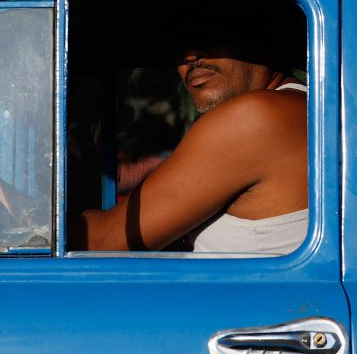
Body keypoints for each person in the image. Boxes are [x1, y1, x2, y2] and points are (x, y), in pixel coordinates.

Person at [67, 27, 308, 255]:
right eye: (179, 44)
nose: (191, 56)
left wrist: (37, 226)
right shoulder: (301, 106)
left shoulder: (254, 116)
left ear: (265, 41)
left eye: (214, 32)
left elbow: (108, 239)